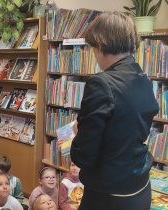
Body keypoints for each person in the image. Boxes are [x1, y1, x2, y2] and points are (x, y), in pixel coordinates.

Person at [69, 11, 159, 210]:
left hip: (109, 192)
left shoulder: (101, 83)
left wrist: (78, 133)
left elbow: (84, 155)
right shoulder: (142, 77)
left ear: (100, 45)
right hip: (140, 185)